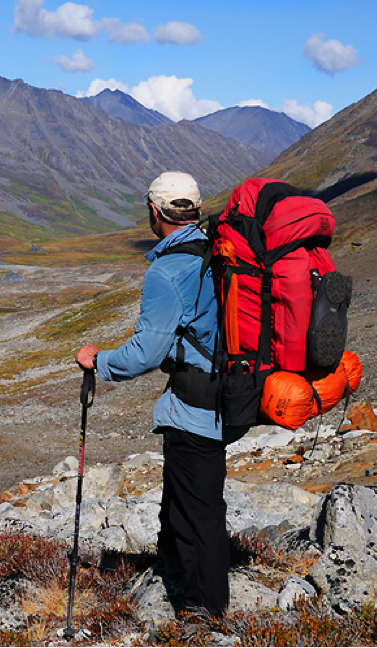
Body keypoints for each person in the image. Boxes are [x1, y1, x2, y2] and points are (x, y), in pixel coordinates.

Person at [76, 171, 244, 617]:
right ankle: (171, 573)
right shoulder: (217, 252)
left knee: (200, 515)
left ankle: (205, 614)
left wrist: (99, 361)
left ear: (155, 212)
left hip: (196, 408)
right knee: (183, 499)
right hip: (224, 397)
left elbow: (145, 353)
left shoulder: (167, 272)